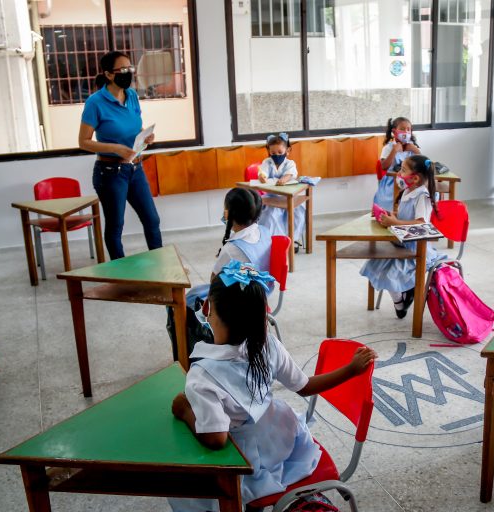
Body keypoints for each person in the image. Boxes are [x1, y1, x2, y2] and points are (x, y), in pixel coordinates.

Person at [169, 260, 377, 511]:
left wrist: (185, 412)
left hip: (245, 461)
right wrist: (350, 370)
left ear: (206, 308)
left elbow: (216, 438)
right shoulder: (268, 345)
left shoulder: (201, 376)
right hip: (281, 439)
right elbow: (305, 386)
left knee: (181, 484)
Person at [167, 187, 271, 359]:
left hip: (237, 302)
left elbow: (214, 287)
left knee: (181, 303)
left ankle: (187, 356)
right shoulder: (265, 232)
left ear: (228, 213)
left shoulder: (232, 249)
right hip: (260, 293)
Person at [78, 50, 162, 260]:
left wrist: (144, 138)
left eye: (130, 68)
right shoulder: (95, 103)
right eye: (122, 69)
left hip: (135, 168)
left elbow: (135, 126)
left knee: (152, 219)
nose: (128, 72)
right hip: (110, 173)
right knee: (116, 227)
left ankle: (163, 268)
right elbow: (84, 142)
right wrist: (116, 148)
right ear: (108, 74)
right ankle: (120, 274)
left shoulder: (132, 95)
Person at [360, 155, 445, 319]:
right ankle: (403, 298)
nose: (399, 173)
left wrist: (395, 222)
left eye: (403, 170)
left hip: (414, 249)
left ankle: (401, 302)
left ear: (415, 178)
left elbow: (420, 223)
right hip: (399, 244)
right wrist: (390, 216)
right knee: (373, 266)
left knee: (389, 275)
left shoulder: (422, 196)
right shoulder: (408, 190)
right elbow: (404, 215)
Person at [256, 133, 305, 253]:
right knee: (271, 214)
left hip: (288, 195)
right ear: (269, 152)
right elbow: (263, 173)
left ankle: (294, 239)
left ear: (287, 151)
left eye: (279, 152)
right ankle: (274, 241)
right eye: (273, 153)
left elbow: (291, 173)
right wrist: (262, 177)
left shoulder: (290, 163)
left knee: (299, 211)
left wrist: (285, 178)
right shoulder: (267, 162)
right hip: (272, 196)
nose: (276, 155)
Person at [373, 117, 421, 211]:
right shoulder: (388, 148)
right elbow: (384, 166)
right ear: (394, 132)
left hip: (410, 181)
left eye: (408, 129)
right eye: (402, 129)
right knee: (388, 203)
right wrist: (394, 151)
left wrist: (416, 150)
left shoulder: (412, 147)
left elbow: (422, 164)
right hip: (392, 182)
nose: (406, 132)